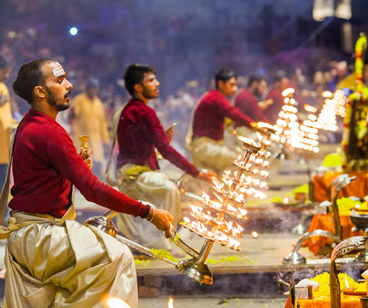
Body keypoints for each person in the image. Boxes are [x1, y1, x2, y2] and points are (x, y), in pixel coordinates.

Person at [0, 58, 173, 307]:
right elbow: (92, 190)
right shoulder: (49, 132)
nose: (69, 85)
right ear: (39, 91)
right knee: (119, 257)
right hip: (40, 238)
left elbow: (39, 178)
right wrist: (147, 211)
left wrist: (71, 166)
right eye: (60, 81)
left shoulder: (32, 123)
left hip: (30, 235)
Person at [114, 63, 215, 251]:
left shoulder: (132, 109)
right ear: (137, 87)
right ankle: (163, 242)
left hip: (133, 171)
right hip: (133, 175)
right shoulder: (143, 111)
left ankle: (159, 238)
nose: (157, 84)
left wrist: (159, 141)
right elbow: (166, 151)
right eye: (151, 80)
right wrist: (197, 173)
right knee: (170, 189)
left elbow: (143, 146)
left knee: (171, 184)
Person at [189, 68, 255, 173]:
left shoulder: (215, 97)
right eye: (231, 85)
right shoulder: (216, 98)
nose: (234, 88)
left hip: (209, 147)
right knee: (240, 161)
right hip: (205, 148)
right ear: (221, 84)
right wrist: (255, 125)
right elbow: (233, 113)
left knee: (224, 174)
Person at [70, 77, 110, 178]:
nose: (93, 91)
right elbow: (73, 115)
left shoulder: (99, 104)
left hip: (96, 142)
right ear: (86, 89)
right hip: (82, 140)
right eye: (91, 88)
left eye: (94, 89)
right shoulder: (79, 100)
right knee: (80, 166)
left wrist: (105, 140)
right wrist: (73, 112)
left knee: (96, 167)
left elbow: (103, 124)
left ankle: (95, 190)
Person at [0, 54, 14, 192]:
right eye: (5, 71)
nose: (7, 75)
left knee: (3, 189)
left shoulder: (3, 87)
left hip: (4, 148)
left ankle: (3, 214)